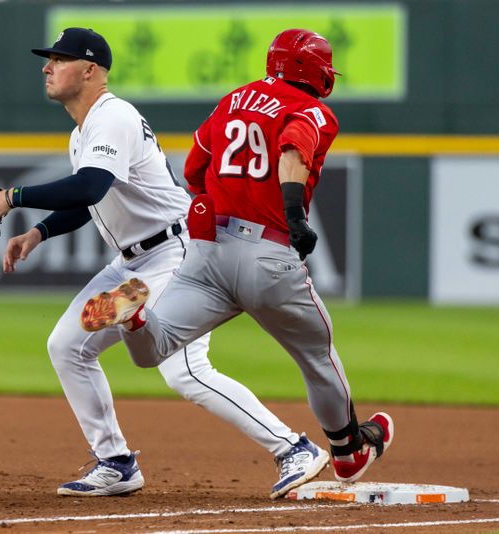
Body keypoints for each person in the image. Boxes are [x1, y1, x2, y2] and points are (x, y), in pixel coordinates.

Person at [0, 27, 329, 499]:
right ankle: (116, 462)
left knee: (185, 370)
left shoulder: (113, 117)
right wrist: (40, 231)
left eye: (59, 59)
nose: (46, 67)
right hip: (134, 265)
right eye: (48, 59)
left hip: (175, 255)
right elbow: (90, 196)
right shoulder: (85, 130)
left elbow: (90, 186)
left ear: (90, 70)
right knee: (67, 346)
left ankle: (293, 448)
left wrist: (9, 199)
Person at [81, 29, 395, 485]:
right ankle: (347, 450)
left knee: (156, 348)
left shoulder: (233, 100)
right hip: (268, 256)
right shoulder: (312, 110)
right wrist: (293, 213)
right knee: (317, 355)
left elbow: (194, 169)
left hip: (207, 252)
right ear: (316, 71)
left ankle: (133, 318)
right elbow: (293, 149)